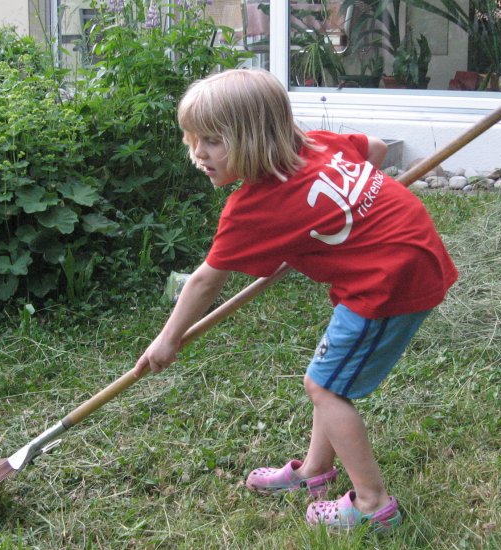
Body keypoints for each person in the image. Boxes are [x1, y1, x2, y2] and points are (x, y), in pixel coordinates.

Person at [132, 69, 458, 532]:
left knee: (324, 389)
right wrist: (339, 214)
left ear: (253, 137)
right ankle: (312, 474)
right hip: (398, 257)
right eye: (191, 140)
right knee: (328, 379)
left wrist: (168, 339)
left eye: (211, 141)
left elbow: (205, 281)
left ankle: (374, 505)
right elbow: (377, 150)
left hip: (389, 282)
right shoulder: (316, 144)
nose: (197, 154)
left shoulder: (254, 208)